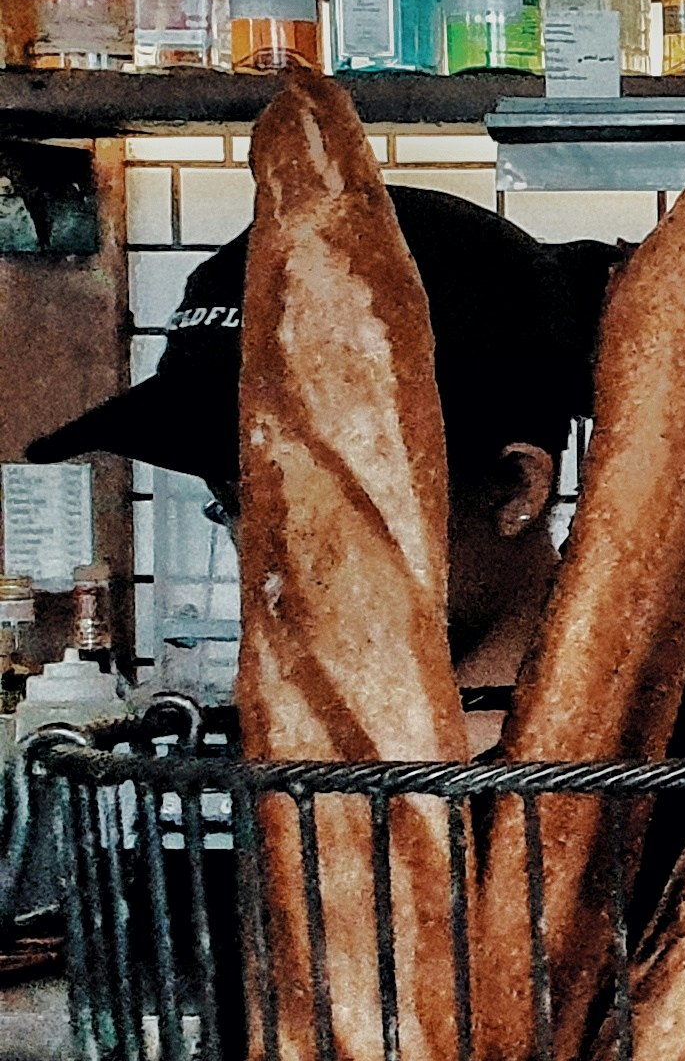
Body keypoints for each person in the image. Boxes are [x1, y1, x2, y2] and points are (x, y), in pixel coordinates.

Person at [28, 188, 620, 713]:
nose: (270, 570)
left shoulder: (671, 809)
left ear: (517, 488)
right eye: (234, 505)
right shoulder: (295, 797)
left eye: (322, 513)